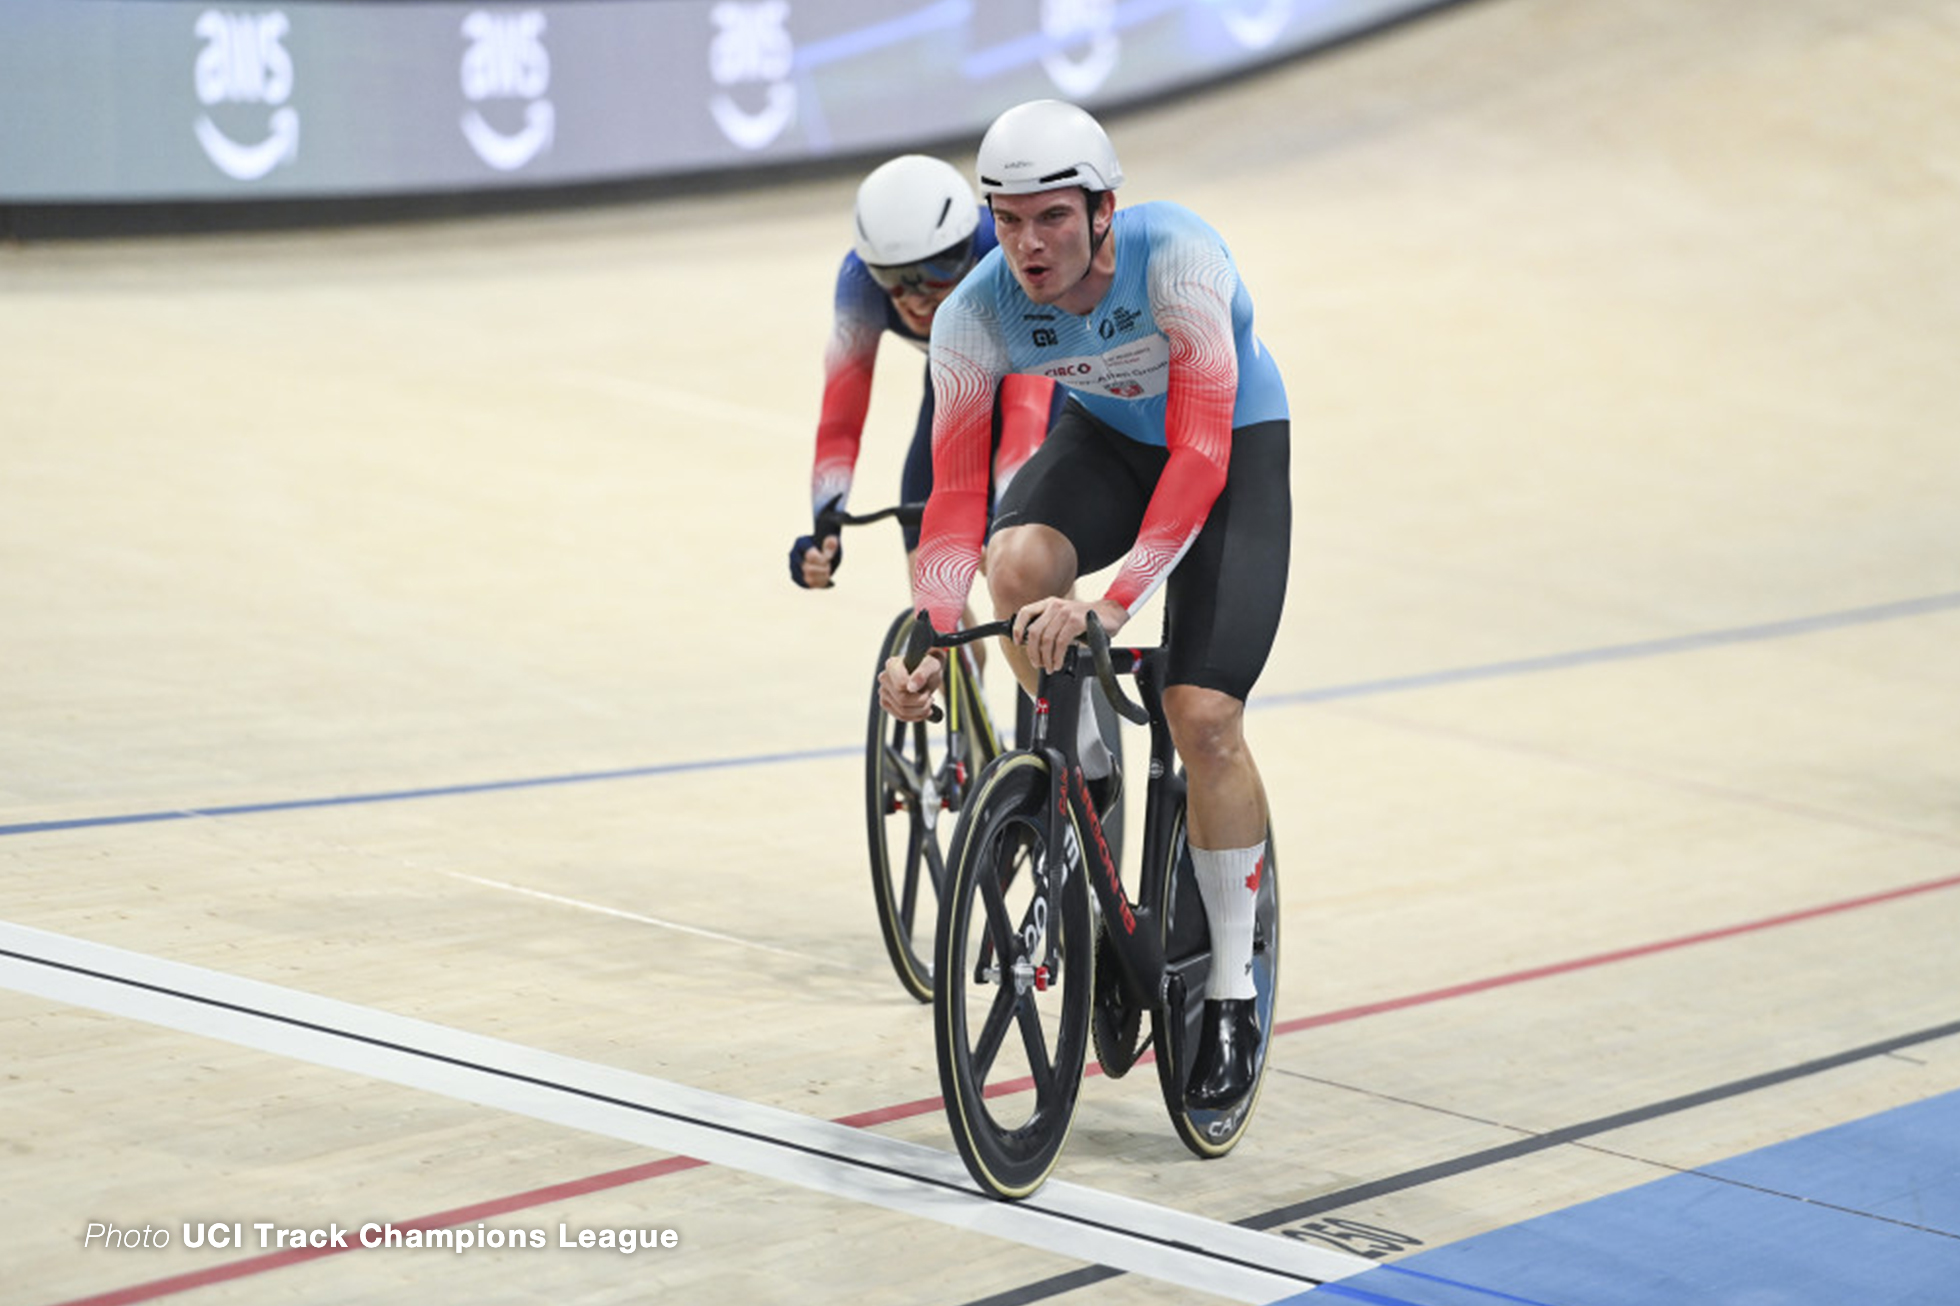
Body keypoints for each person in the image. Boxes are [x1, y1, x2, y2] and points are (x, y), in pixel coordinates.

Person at [877, 100, 1291, 1112]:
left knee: (1204, 718)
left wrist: (1111, 605)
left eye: (1052, 217)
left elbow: (1197, 459)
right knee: (1011, 564)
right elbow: (955, 502)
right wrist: (935, 637)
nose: (1028, 243)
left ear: (1104, 211)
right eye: (1007, 219)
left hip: (1228, 450)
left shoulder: (1181, 262)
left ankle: (1231, 988)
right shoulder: (976, 313)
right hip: (1106, 442)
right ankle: (1088, 775)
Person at [790, 154, 1056, 591]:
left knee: (1028, 584)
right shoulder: (858, 283)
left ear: (967, 253)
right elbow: (841, 420)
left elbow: (1027, 410)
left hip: (1040, 376)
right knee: (928, 588)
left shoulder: (1004, 254)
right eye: (892, 278)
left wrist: (1007, 522)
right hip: (954, 383)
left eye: (935, 273)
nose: (914, 299)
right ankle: (955, 659)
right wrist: (826, 526)